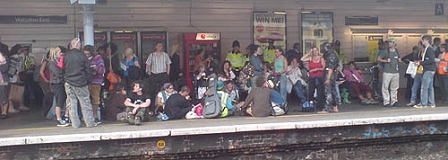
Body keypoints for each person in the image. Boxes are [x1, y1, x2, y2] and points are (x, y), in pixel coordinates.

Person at [63, 38, 96, 128]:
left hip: (69, 82)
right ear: (77, 45)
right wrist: (88, 81)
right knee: (85, 103)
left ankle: (75, 124)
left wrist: (65, 79)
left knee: (71, 104)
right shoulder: (82, 56)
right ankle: (89, 123)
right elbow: (88, 70)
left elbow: (62, 69)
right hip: (81, 82)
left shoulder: (66, 56)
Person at [48, 47, 70, 127]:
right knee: (59, 100)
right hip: (56, 83)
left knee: (67, 99)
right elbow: (57, 72)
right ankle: (58, 118)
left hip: (62, 82)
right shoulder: (51, 63)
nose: (61, 54)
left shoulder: (61, 61)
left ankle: (66, 116)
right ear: (55, 53)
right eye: (59, 52)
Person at [145, 41, 171, 109]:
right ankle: (152, 107)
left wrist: (167, 72)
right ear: (156, 47)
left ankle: (163, 105)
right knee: (152, 91)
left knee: (163, 89)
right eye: (159, 46)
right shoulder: (152, 55)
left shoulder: (165, 55)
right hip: (154, 74)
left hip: (163, 74)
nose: (160, 47)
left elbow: (168, 64)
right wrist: (149, 72)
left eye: (161, 46)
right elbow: (148, 64)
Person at [377, 38, 402, 107]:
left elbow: (399, 58)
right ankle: (386, 102)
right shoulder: (385, 51)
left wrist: (400, 60)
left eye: (391, 42)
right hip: (387, 71)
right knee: (385, 87)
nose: (389, 43)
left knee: (394, 87)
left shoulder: (397, 51)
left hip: (396, 72)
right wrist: (385, 61)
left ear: (394, 43)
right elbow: (378, 59)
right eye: (389, 42)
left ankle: (394, 101)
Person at [84, 45, 105, 124]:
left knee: (95, 99)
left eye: (88, 54)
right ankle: (87, 116)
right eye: (85, 54)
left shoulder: (98, 58)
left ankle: (95, 116)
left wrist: (94, 68)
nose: (86, 55)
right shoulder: (84, 59)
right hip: (86, 81)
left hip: (96, 81)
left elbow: (102, 69)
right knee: (86, 100)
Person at [414, 35, 437, 109]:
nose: (422, 42)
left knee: (424, 87)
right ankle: (431, 103)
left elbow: (431, 60)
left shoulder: (429, 49)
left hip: (428, 70)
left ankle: (423, 103)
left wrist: (421, 63)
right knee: (430, 87)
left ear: (427, 40)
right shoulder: (430, 49)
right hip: (431, 70)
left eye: (423, 40)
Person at [301, 46, 325, 112]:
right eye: (313, 51)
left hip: (319, 76)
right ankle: (311, 105)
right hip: (312, 77)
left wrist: (316, 69)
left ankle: (320, 106)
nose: (315, 52)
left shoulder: (321, 58)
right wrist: (309, 53)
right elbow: (302, 59)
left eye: (316, 51)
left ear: (318, 51)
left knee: (320, 92)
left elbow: (323, 68)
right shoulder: (310, 58)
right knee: (311, 92)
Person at [8, 44, 28, 113]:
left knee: (12, 91)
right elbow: (16, 68)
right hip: (15, 76)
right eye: (20, 49)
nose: (21, 51)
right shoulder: (16, 57)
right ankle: (16, 106)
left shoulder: (11, 57)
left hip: (12, 76)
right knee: (15, 91)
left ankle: (15, 105)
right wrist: (18, 77)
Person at [321, 42, 340, 113]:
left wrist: (328, 78)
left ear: (326, 47)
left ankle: (327, 108)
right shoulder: (331, 54)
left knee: (328, 91)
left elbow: (330, 68)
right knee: (333, 91)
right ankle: (335, 107)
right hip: (332, 74)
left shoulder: (331, 55)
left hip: (329, 74)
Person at [406, 42, 424, 107]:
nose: (418, 46)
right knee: (414, 87)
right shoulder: (418, 53)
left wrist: (419, 62)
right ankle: (412, 101)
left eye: (419, 45)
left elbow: (425, 61)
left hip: (422, 72)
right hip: (417, 71)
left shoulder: (424, 52)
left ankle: (423, 101)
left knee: (423, 87)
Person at [0, 42, 9, 119]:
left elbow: (4, 69)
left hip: (3, 80)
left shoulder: (5, 58)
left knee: (4, 96)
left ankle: (4, 112)